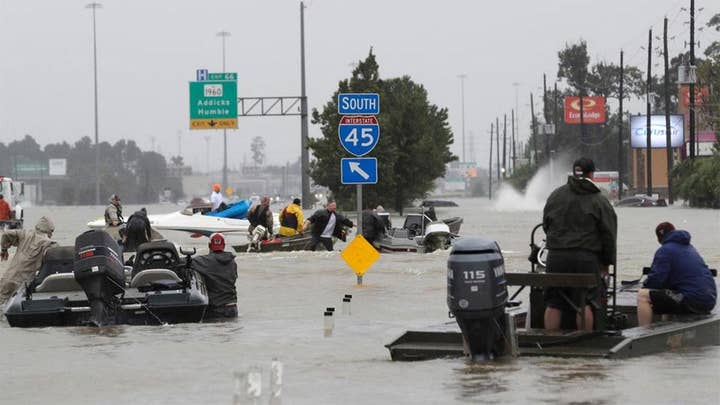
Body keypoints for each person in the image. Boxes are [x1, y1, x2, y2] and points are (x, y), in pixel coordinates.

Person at [542, 157, 617, 331]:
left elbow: (546, 225)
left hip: (555, 257)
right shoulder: (599, 200)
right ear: (592, 174)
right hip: (585, 258)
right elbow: (609, 235)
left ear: (574, 172)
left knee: (554, 302)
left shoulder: (555, 195)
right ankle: (583, 341)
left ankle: (549, 340)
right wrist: (606, 262)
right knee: (585, 302)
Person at [637, 222, 717, 326]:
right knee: (668, 293)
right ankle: (666, 329)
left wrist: (644, 286)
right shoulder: (690, 248)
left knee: (643, 295)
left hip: (690, 300)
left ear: (659, 238)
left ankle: (643, 334)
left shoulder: (664, 250)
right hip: (709, 300)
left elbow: (656, 280)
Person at [0, 216, 57, 303]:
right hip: (22, 284)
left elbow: (6, 234)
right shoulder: (48, 243)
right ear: (50, 230)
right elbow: (56, 254)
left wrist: (4, 249)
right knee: (15, 306)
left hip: (7, 278)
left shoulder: (24, 233)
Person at [191, 233, 238, 319]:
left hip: (216, 310)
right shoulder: (232, 262)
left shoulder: (205, 261)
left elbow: (187, 262)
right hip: (232, 307)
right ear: (223, 245)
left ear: (209, 245)